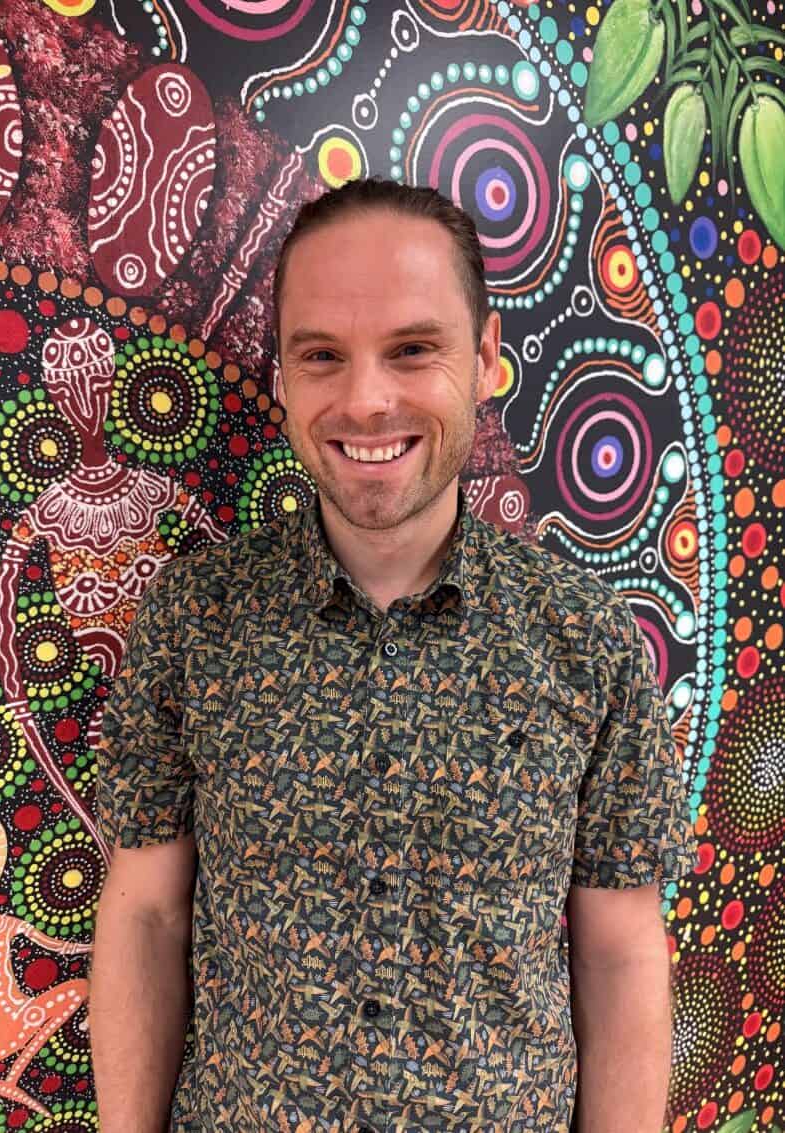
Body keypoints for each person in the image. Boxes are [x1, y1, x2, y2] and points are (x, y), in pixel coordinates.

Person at [89, 178, 699, 1133]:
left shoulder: (589, 642)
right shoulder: (191, 623)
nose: (367, 400)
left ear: (487, 358)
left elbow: (620, 951)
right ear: (284, 379)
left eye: (414, 350)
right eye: (322, 355)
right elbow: (145, 917)